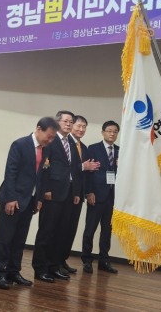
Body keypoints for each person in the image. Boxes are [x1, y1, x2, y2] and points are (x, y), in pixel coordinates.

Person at [0, 117, 59, 289]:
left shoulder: (46, 150)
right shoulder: (20, 145)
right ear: (38, 129)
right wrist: (10, 198)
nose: (50, 140)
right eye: (49, 136)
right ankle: (0, 273)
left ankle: (14, 271)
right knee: (6, 238)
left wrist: (39, 199)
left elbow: (43, 176)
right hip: (13, 199)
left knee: (20, 239)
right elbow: (10, 173)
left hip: (30, 200)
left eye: (53, 138)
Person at [31, 110, 81, 283]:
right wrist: (45, 190)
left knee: (61, 233)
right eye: (66, 121)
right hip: (52, 194)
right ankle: (40, 268)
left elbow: (74, 170)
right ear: (57, 122)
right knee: (47, 232)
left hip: (67, 194)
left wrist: (75, 193)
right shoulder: (50, 142)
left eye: (71, 121)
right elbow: (44, 168)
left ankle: (53, 266)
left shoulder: (72, 143)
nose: (69, 124)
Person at [58, 115, 99, 275]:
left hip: (77, 194)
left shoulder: (84, 147)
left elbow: (87, 175)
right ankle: (55, 261)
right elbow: (66, 168)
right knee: (61, 229)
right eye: (78, 126)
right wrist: (82, 166)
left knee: (71, 229)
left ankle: (63, 259)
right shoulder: (64, 144)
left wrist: (88, 192)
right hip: (64, 193)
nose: (81, 130)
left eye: (84, 127)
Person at [81, 120, 120, 274]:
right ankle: (87, 260)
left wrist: (121, 165)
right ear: (103, 132)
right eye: (109, 130)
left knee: (107, 230)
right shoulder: (93, 149)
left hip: (112, 197)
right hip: (96, 196)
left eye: (115, 131)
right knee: (90, 229)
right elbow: (87, 174)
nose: (112, 133)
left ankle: (104, 260)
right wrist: (88, 192)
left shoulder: (120, 151)